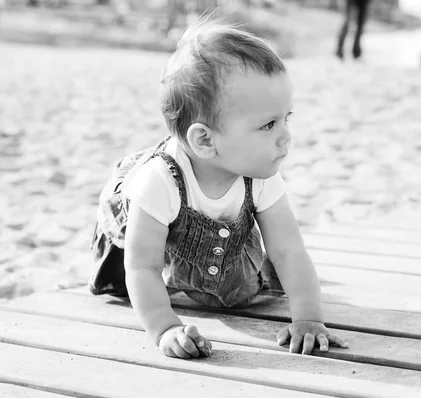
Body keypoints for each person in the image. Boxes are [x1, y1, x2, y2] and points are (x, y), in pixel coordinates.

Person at [89, 16, 348, 359]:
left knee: (251, 284)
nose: (286, 136)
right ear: (206, 140)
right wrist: (165, 327)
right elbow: (143, 267)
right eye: (268, 125)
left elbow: (289, 250)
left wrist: (309, 319)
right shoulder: (158, 182)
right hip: (144, 246)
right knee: (129, 270)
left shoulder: (259, 174)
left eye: (287, 118)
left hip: (227, 263)